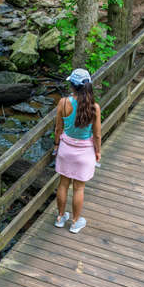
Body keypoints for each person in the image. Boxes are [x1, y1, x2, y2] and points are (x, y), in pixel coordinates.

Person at [53, 68, 102, 233]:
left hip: (66, 149)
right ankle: (75, 222)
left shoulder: (63, 102)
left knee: (63, 184)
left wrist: (55, 145)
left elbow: (58, 129)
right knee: (79, 188)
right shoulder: (94, 107)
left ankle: (60, 217)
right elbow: (96, 135)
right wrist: (98, 152)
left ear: (72, 86)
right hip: (85, 152)